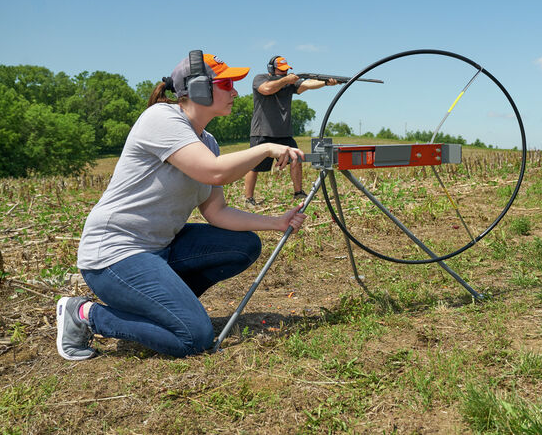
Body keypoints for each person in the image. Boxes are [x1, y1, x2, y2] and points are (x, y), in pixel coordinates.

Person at [56, 51, 307, 360]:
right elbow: (213, 170)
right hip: (115, 254)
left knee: (244, 246)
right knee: (194, 338)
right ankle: (85, 313)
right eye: (227, 84)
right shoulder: (161, 118)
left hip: (159, 248)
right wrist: (265, 147)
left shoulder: (209, 141)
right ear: (199, 88)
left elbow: (217, 212)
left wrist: (276, 222)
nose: (235, 92)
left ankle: (159, 307)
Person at [243, 56, 337, 206]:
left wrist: (326, 82)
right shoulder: (260, 79)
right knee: (254, 166)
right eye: (281, 69)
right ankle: (248, 198)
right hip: (262, 132)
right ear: (271, 69)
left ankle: (298, 193)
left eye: (286, 70)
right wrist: (286, 80)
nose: (284, 72)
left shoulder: (289, 83)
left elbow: (308, 84)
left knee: (296, 159)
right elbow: (266, 90)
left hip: (284, 132)